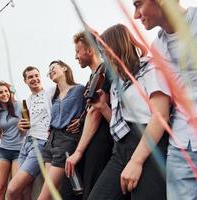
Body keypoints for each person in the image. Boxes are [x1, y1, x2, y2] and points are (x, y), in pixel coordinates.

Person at [133, 0, 197, 199]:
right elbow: (161, 110)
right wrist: (136, 160)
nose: (136, 15)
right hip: (183, 151)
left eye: (138, 5)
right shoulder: (158, 47)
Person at [86, 23, 170, 200]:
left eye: (104, 50)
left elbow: (160, 116)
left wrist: (136, 161)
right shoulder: (118, 81)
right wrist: (103, 107)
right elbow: (122, 125)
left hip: (149, 147)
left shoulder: (150, 69)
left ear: (116, 48)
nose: (102, 56)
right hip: (121, 150)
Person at [65, 31, 114, 199]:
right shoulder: (92, 76)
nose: (76, 57)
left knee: (91, 190)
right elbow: (90, 111)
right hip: (90, 138)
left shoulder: (105, 71)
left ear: (90, 50)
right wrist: (80, 120)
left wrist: (78, 152)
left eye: (78, 52)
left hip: (100, 140)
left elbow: (96, 113)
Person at [38, 60, 85, 200]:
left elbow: (91, 108)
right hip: (50, 142)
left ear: (64, 68)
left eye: (53, 67)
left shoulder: (78, 89)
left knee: (44, 196)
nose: (50, 71)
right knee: (52, 192)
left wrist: (81, 119)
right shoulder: (54, 97)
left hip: (66, 141)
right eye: (49, 71)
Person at [7, 66, 54, 200]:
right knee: (25, 188)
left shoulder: (50, 92)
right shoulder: (26, 101)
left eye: (36, 75)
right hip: (25, 144)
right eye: (30, 77)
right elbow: (24, 127)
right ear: (25, 81)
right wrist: (21, 127)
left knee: (12, 188)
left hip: (40, 143)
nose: (34, 79)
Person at [0, 81, 24, 200]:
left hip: (19, 151)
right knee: (0, 188)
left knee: (15, 189)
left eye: (6, 91)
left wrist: (21, 128)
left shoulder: (19, 105)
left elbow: (28, 128)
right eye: (0, 92)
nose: (4, 94)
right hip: (3, 151)